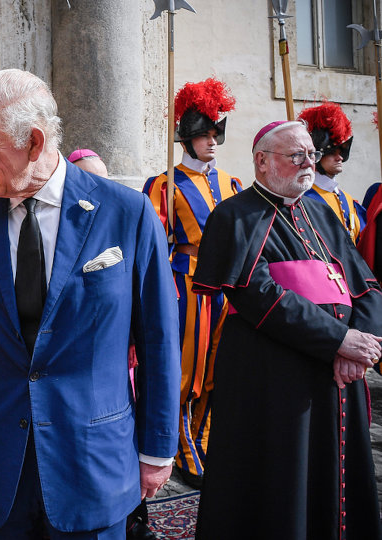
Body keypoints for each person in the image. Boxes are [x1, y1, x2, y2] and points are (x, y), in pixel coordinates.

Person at [0, 68, 180, 538]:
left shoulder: (126, 214)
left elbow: (158, 339)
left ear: (32, 140)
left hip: (92, 461)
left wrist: (157, 448)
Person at [193, 120, 382, 539]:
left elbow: (365, 284)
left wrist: (362, 344)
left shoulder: (322, 212)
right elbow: (257, 292)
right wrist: (339, 340)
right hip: (273, 375)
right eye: (296, 155)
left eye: (311, 155)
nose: (308, 163)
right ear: (262, 161)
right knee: (282, 482)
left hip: (339, 376)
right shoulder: (234, 215)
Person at [142, 77, 242, 489]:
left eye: (216, 133)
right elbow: (155, 247)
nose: (212, 141)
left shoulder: (233, 184)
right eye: (204, 134)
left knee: (219, 370)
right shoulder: (164, 185)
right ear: (187, 138)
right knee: (187, 373)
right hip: (186, 290)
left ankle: (203, 441)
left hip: (227, 292)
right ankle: (181, 448)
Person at [70, 147, 156, 540]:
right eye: (91, 179)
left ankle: (136, 516)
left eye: (105, 178)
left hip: (126, 364)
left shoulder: (130, 216)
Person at [299, 101, 366, 243]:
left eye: (342, 150)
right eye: (332, 152)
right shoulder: (302, 198)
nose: (339, 157)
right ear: (316, 155)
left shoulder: (347, 199)